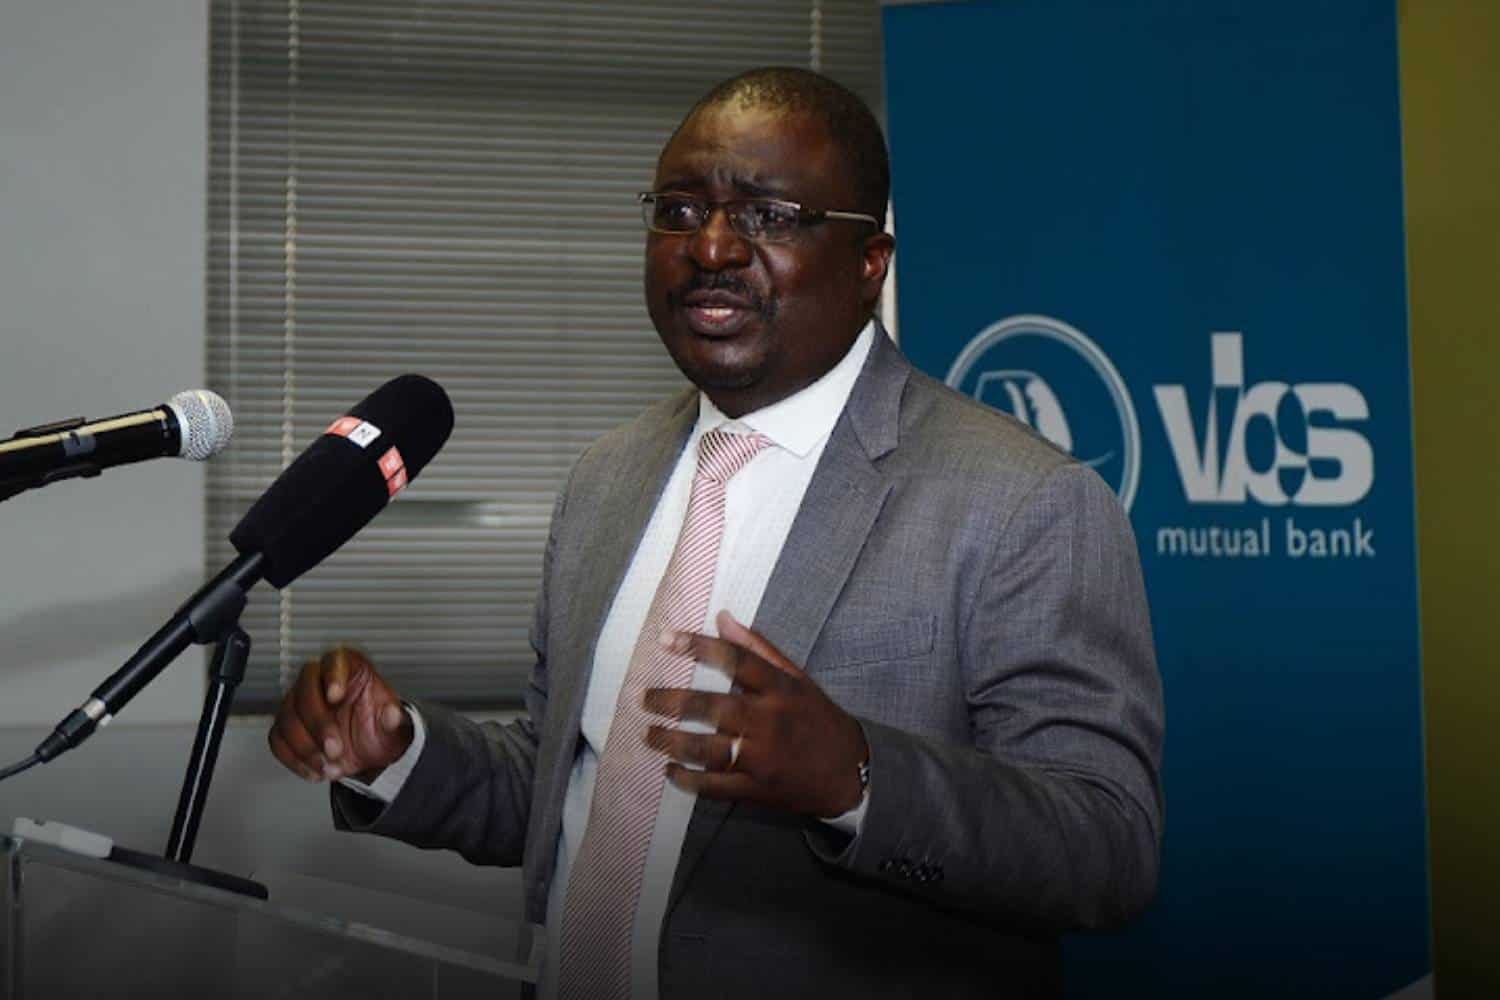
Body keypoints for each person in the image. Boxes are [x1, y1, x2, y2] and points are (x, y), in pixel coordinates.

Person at [268, 67, 1164, 999]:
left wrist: (855, 778)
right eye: (681, 210)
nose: (711, 248)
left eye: (768, 216)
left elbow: (1107, 846)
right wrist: (400, 751)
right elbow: (569, 779)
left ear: (871, 262)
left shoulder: (1024, 502)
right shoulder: (608, 477)